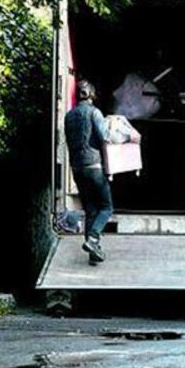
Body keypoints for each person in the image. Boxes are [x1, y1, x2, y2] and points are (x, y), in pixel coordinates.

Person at [64, 79, 113, 265]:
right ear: (92, 95)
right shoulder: (94, 113)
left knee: (90, 210)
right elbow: (105, 137)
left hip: (77, 168)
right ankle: (93, 239)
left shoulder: (69, 116)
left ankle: (93, 252)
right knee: (106, 207)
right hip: (94, 167)